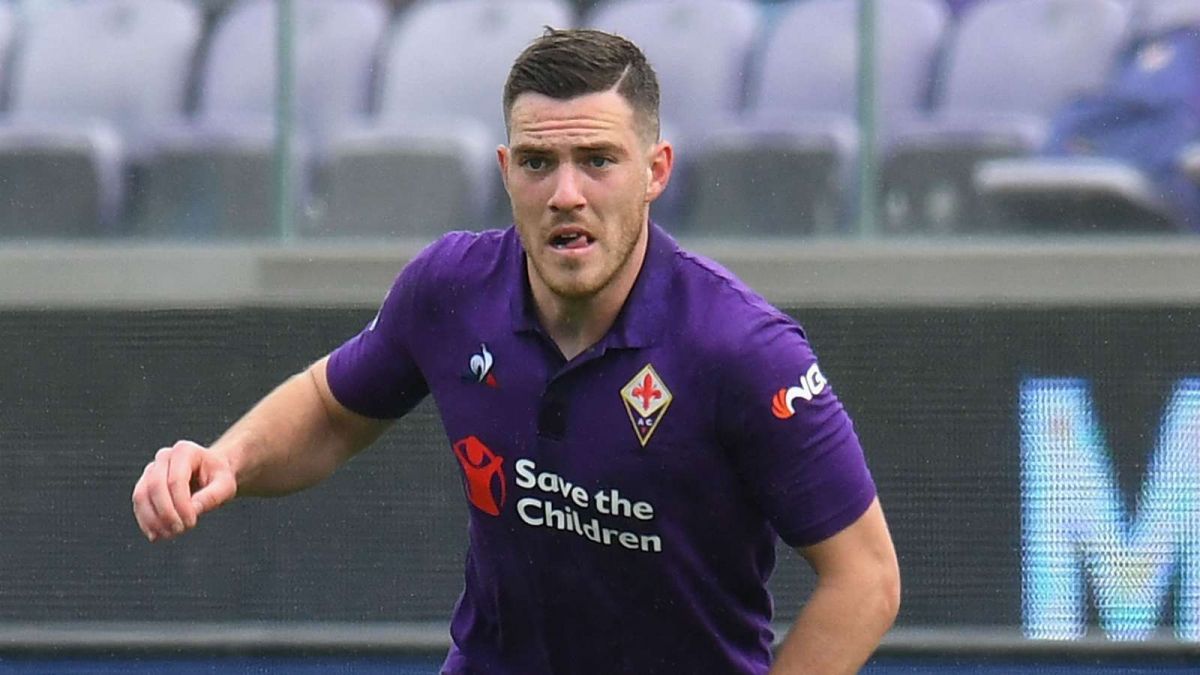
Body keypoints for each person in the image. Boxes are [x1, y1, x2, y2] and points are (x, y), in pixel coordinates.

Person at [131, 28, 900, 674]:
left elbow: (865, 578)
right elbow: (331, 410)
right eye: (538, 162)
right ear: (506, 172)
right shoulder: (448, 289)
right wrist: (226, 459)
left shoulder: (742, 348)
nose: (566, 193)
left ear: (655, 172)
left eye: (597, 160)